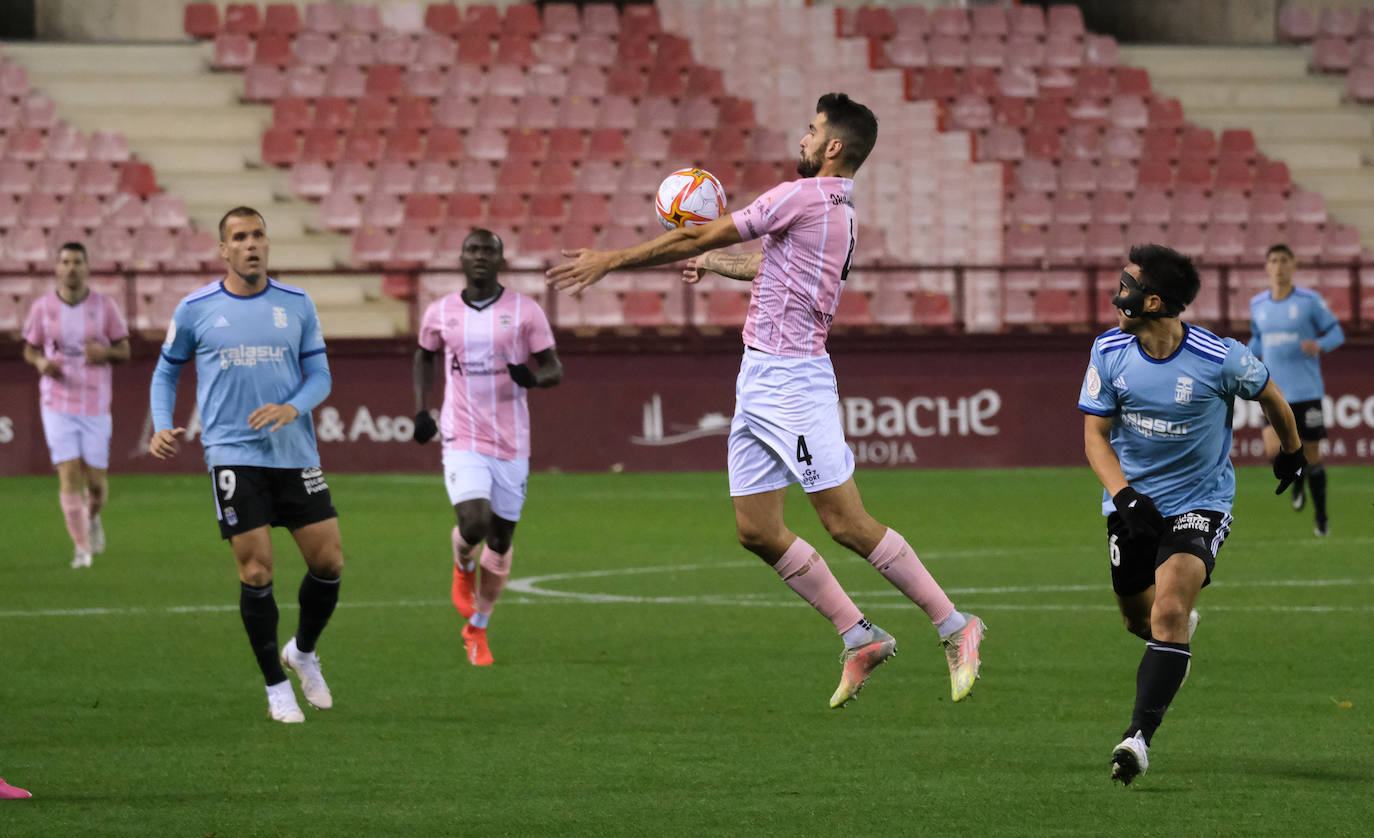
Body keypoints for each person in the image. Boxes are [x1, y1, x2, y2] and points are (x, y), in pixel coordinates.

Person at [547, 93, 985, 709]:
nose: (802, 139)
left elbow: (711, 230)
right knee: (756, 530)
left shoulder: (801, 195)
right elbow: (770, 264)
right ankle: (860, 635)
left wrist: (612, 260)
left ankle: (953, 623)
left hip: (794, 384)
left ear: (834, 146)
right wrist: (715, 261)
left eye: (811, 131)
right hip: (758, 382)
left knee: (845, 523)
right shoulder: (839, 213)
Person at [1078, 244, 1305, 785]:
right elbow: (1094, 437)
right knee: (1138, 617)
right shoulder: (1108, 351)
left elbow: (1272, 396)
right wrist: (1125, 495)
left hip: (1201, 501)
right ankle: (1171, 638)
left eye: (1127, 286)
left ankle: (1137, 739)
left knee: (1170, 607)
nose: (1117, 295)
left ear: (1152, 302)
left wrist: (1291, 452)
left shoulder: (1219, 357)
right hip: (1131, 503)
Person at [148, 207, 343, 724]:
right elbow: (165, 372)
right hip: (233, 454)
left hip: (295, 452)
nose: (251, 243)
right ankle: (276, 687)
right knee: (257, 570)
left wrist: (291, 407)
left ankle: (301, 652)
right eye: (240, 237)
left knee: (329, 564)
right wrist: (162, 423)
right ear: (224, 250)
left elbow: (320, 376)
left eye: (258, 234)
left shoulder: (296, 304)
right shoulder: (196, 309)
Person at [412, 229, 562, 667]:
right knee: (473, 523)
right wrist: (421, 410)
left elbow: (554, 367)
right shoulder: (441, 312)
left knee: (499, 541)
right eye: (472, 250)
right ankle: (462, 563)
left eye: (488, 251)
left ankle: (477, 626)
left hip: (512, 441)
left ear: (500, 260)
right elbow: (423, 355)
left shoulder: (525, 311)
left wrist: (532, 378)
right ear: (461, 258)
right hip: (462, 435)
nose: (479, 257)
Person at [21, 242, 130, 569]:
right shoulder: (42, 308)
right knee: (68, 474)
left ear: (86, 267)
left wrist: (105, 353)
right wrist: (40, 362)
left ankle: (92, 517)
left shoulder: (104, 306)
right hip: (56, 402)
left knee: (96, 485)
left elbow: (124, 350)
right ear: (57, 267)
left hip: (95, 403)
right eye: (65, 261)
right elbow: (30, 348)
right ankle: (81, 549)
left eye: (77, 262)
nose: (71, 268)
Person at [1247, 243, 1344, 537]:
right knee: (1272, 451)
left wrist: (1320, 344)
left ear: (1293, 265)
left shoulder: (1309, 301)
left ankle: (1322, 517)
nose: (1278, 266)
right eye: (1273, 260)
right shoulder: (1257, 304)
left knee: (1313, 456)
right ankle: (1296, 477)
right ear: (1266, 266)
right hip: (1273, 393)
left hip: (1306, 391)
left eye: (1284, 260)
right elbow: (1258, 341)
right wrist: (1242, 357)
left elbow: (1336, 332)